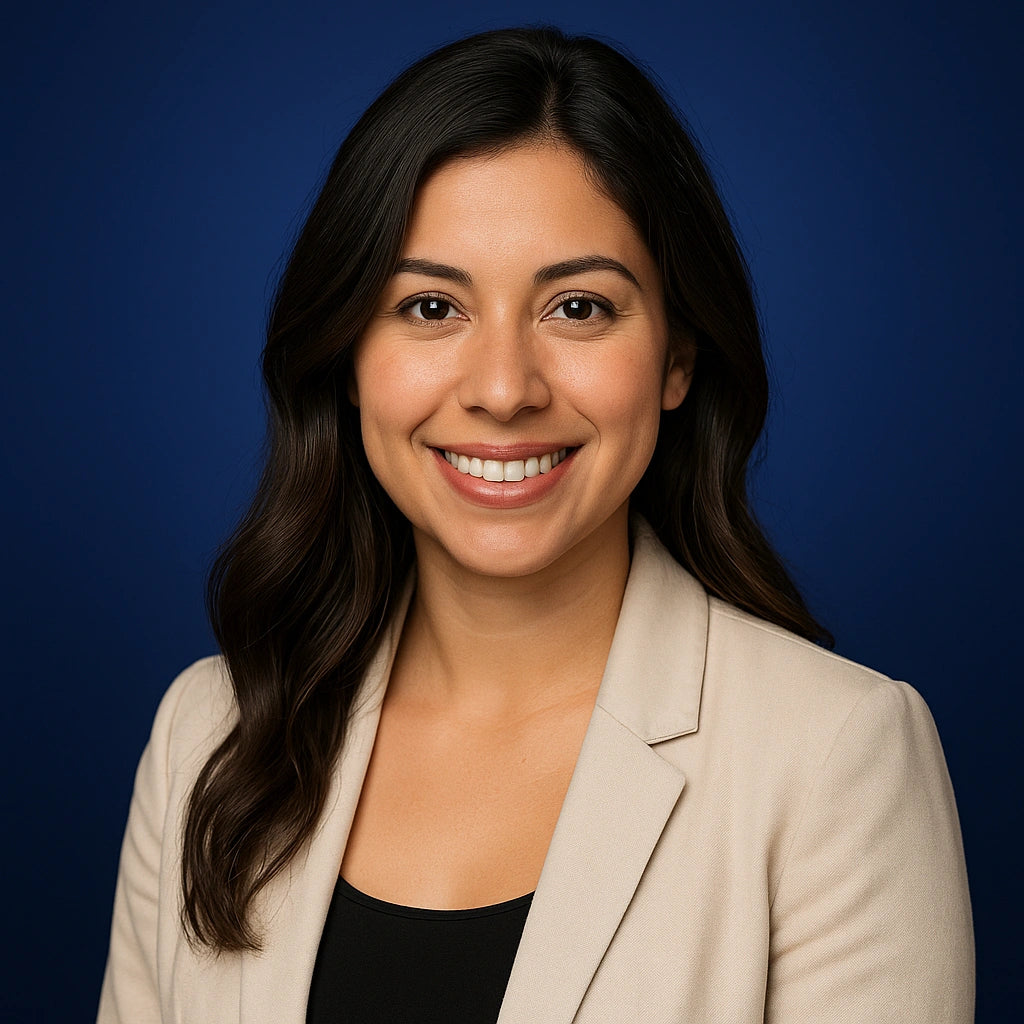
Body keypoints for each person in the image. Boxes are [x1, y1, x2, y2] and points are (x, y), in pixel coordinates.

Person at [97, 26, 973, 1024]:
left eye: (579, 308)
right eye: (430, 306)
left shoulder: (835, 755)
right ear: (348, 355)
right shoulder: (212, 733)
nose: (504, 389)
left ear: (677, 359)